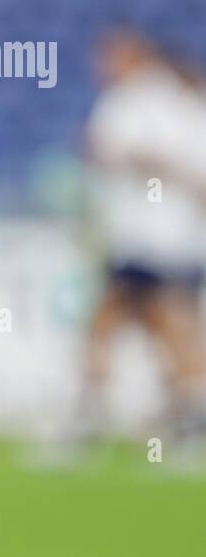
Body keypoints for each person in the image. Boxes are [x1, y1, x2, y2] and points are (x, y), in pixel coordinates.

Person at [72, 28, 206, 456]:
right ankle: (182, 414)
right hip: (155, 236)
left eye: (109, 55)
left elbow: (114, 154)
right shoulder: (170, 99)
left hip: (157, 237)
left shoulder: (142, 102)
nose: (101, 66)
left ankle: (98, 415)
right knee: (143, 322)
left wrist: (136, 161)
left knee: (161, 322)